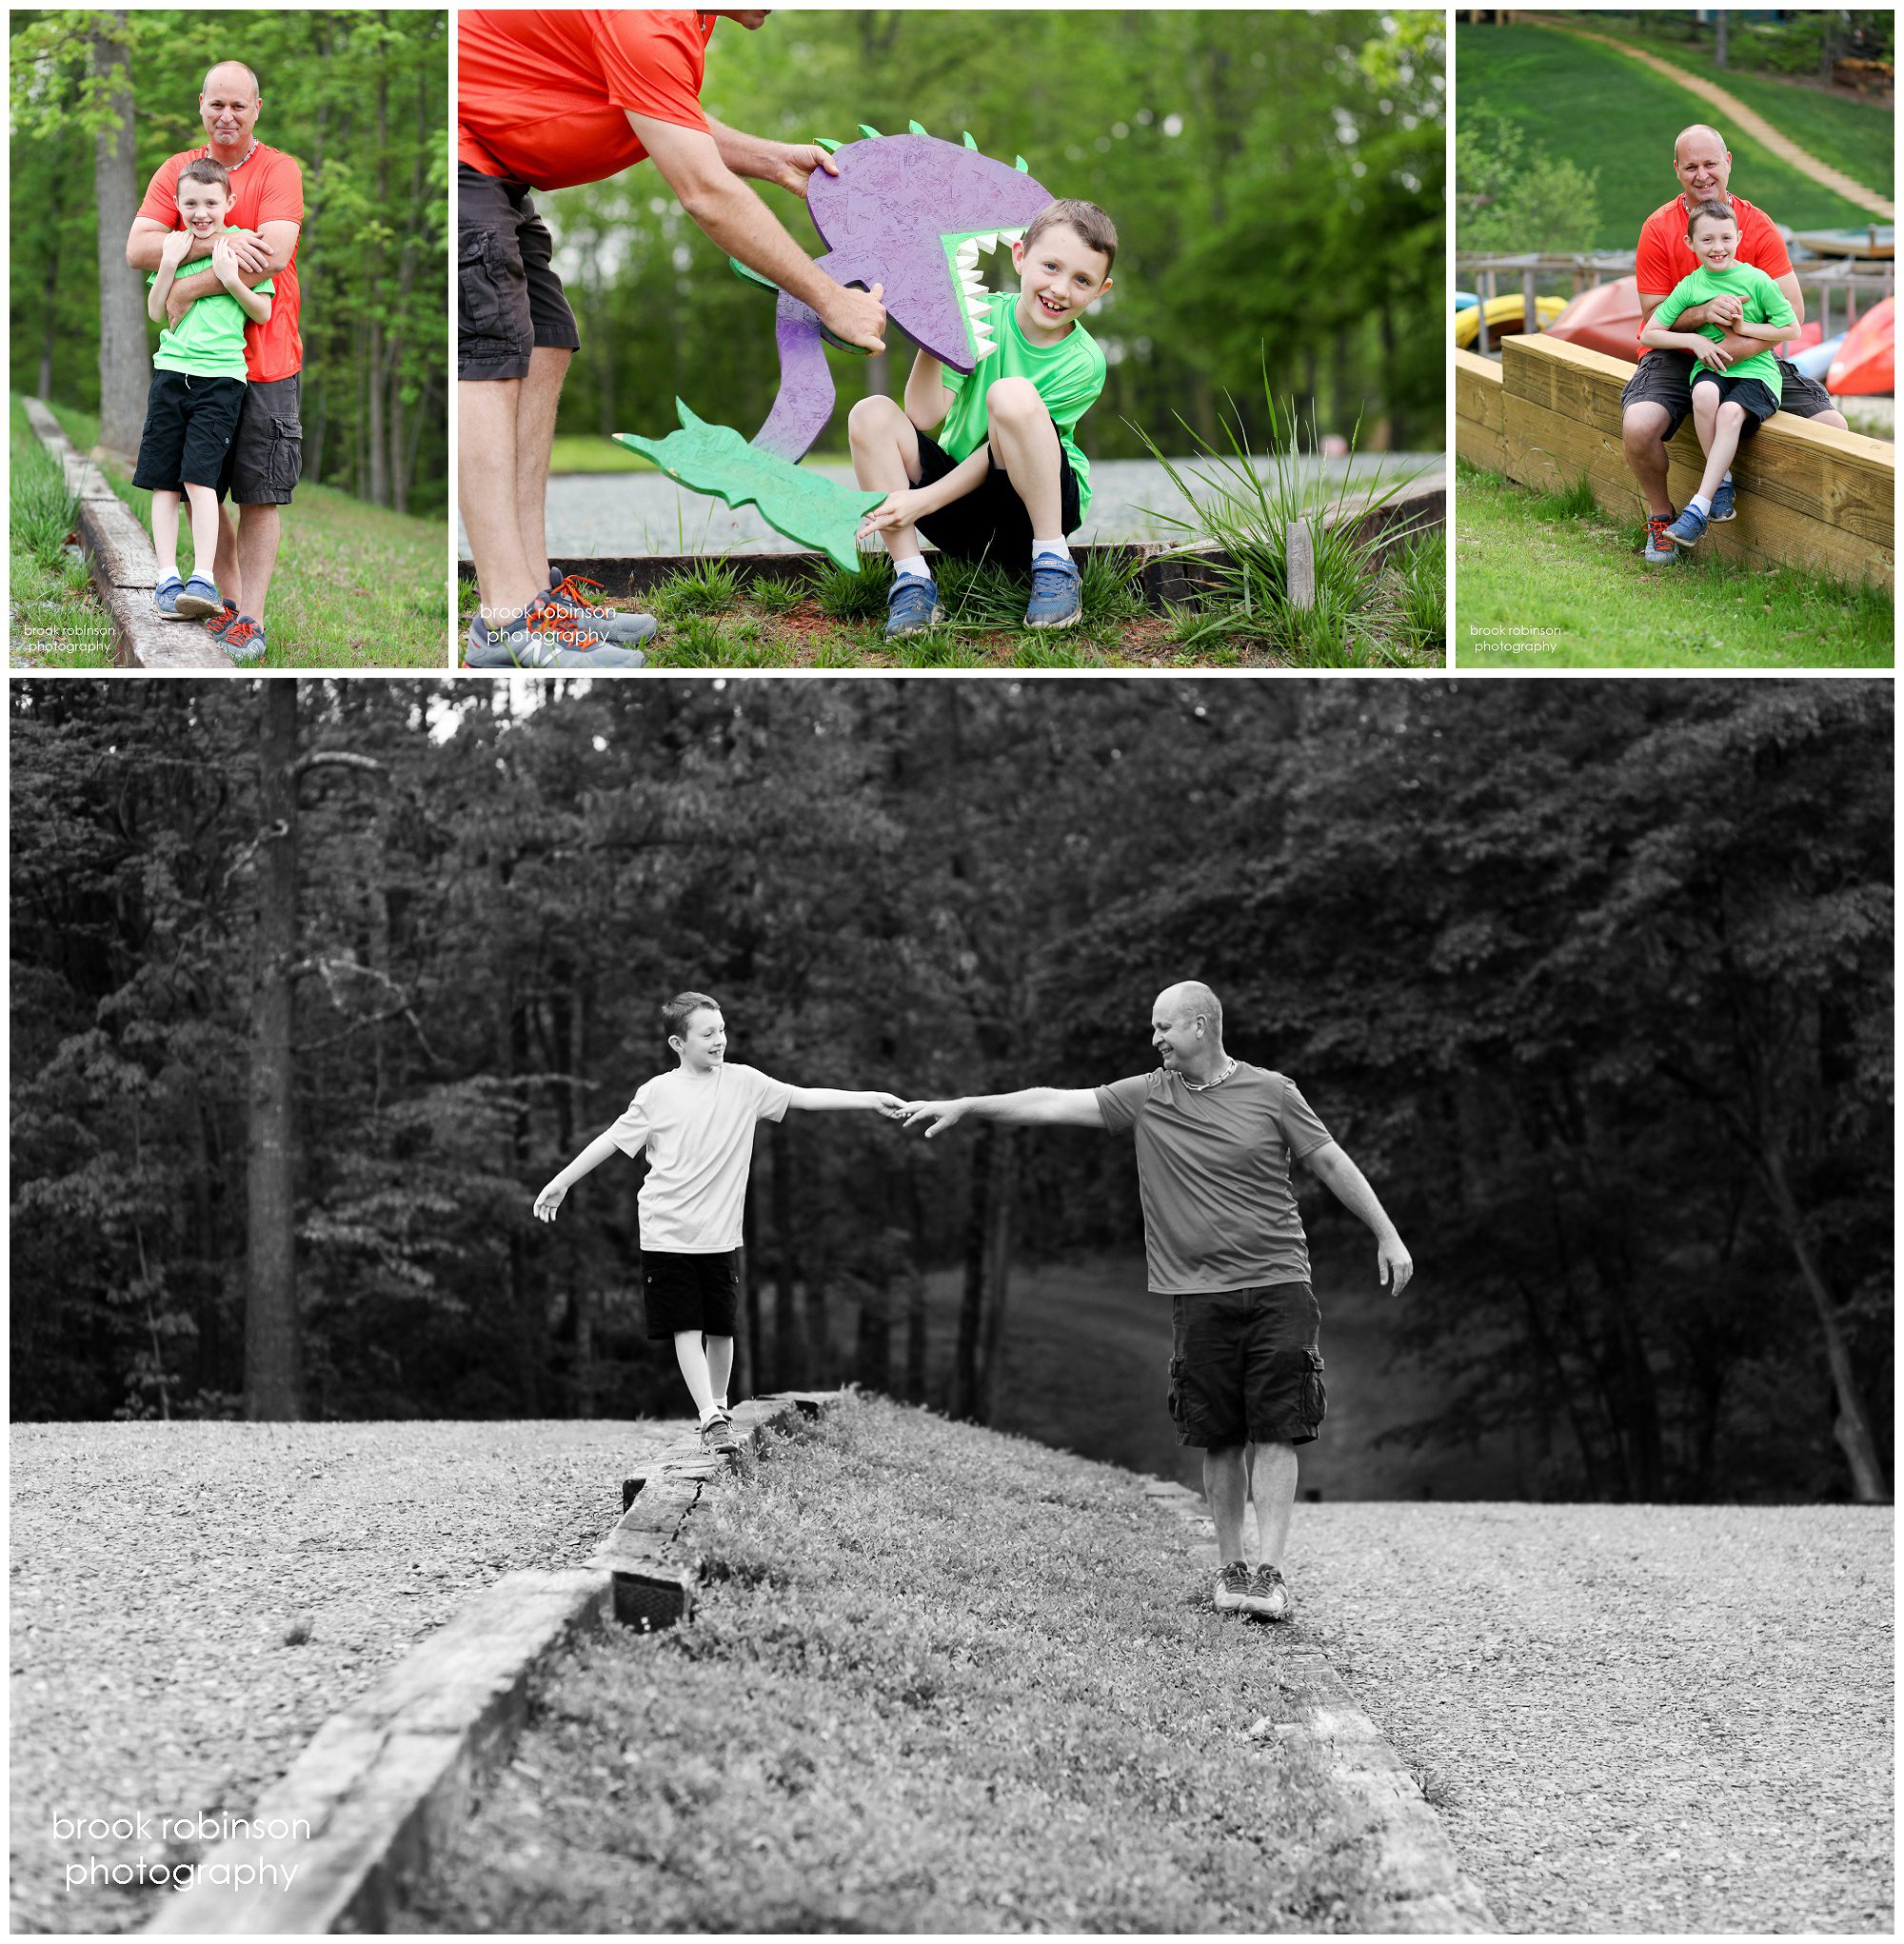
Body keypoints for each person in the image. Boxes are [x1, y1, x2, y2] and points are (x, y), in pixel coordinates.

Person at [902, 981, 1410, 1620]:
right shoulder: (1146, 1097)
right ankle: (1231, 1570)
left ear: (1201, 1026)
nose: (1155, 1039)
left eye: (1163, 1027)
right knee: (1219, 1436)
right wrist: (969, 1104)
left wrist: (1387, 1235)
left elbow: (1331, 1161)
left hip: (1280, 1281)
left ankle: (1271, 1575)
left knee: (1278, 1429)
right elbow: (1053, 1103)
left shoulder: (1273, 1092)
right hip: (1197, 1294)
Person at [457, 9, 889, 670]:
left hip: (498, 170)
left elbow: (656, 107)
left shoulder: (684, 20)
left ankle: (533, 594)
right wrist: (831, 300)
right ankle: (506, 620)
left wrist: (770, 159)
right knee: (490, 357)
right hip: (464, 156)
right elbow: (705, 194)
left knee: (546, 341)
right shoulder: (649, 17)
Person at [532, 992, 904, 1452]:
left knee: (722, 1328)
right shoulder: (656, 1094)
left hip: (719, 1235)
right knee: (685, 1326)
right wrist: (562, 1182)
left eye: (722, 1030)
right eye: (707, 1033)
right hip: (666, 1230)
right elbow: (609, 1142)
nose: (720, 1040)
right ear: (678, 1043)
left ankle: (719, 1407)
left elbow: (804, 1097)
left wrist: (869, 1099)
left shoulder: (745, 1084)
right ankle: (709, 1417)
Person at [852, 199, 1115, 638]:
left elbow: (1000, 449)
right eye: (1051, 267)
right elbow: (922, 414)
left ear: (1101, 290)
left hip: (1031, 513)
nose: (1061, 290)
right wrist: (938, 333)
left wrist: (924, 500)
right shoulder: (981, 317)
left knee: (1010, 396)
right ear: (1020, 256)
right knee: (870, 413)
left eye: (1082, 280)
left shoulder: (1084, 361)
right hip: (961, 515)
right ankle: (912, 578)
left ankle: (1054, 563)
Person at [127, 62, 304, 664]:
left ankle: (249, 619)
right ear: (201, 104)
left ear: (257, 107)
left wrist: (185, 285)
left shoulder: (279, 170)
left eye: (239, 105)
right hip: (190, 363)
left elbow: (272, 256)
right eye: (216, 105)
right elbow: (139, 247)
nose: (226, 116)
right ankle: (217, 597)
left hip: (266, 355)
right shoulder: (179, 170)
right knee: (196, 479)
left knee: (258, 492)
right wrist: (222, 240)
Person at [1621, 124, 1847, 567]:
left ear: (1728, 163)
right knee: (1638, 426)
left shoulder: (1757, 225)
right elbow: (1653, 317)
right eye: (1691, 167)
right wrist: (1704, 314)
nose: (1702, 175)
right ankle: (1661, 518)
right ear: (1677, 170)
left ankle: (1814, 547)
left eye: (1711, 164)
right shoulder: (1658, 228)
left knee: (1834, 429)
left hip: (1750, 349)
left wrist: (1736, 348)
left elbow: (1794, 317)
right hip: (1677, 350)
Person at [135, 161, 275, 625]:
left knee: (202, 481)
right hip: (171, 375)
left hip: (221, 381)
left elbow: (261, 313)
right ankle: (166, 578)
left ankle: (201, 578)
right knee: (164, 482)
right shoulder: (173, 246)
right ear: (178, 204)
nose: (201, 212)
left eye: (211, 203)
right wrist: (171, 264)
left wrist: (232, 279)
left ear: (228, 204)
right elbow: (158, 311)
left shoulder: (241, 245)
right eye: (191, 203)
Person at [1638, 202, 1796, 551]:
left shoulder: (1757, 280)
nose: (1718, 247)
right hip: (1712, 369)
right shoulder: (1691, 285)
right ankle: (1722, 483)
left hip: (1757, 374)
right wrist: (1694, 339)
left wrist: (1744, 327)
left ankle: (1699, 507)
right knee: (1703, 396)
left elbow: (1792, 328)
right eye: (1707, 240)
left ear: (1738, 238)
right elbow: (1649, 333)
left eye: (1726, 238)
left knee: (1728, 412)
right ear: (1690, 243)